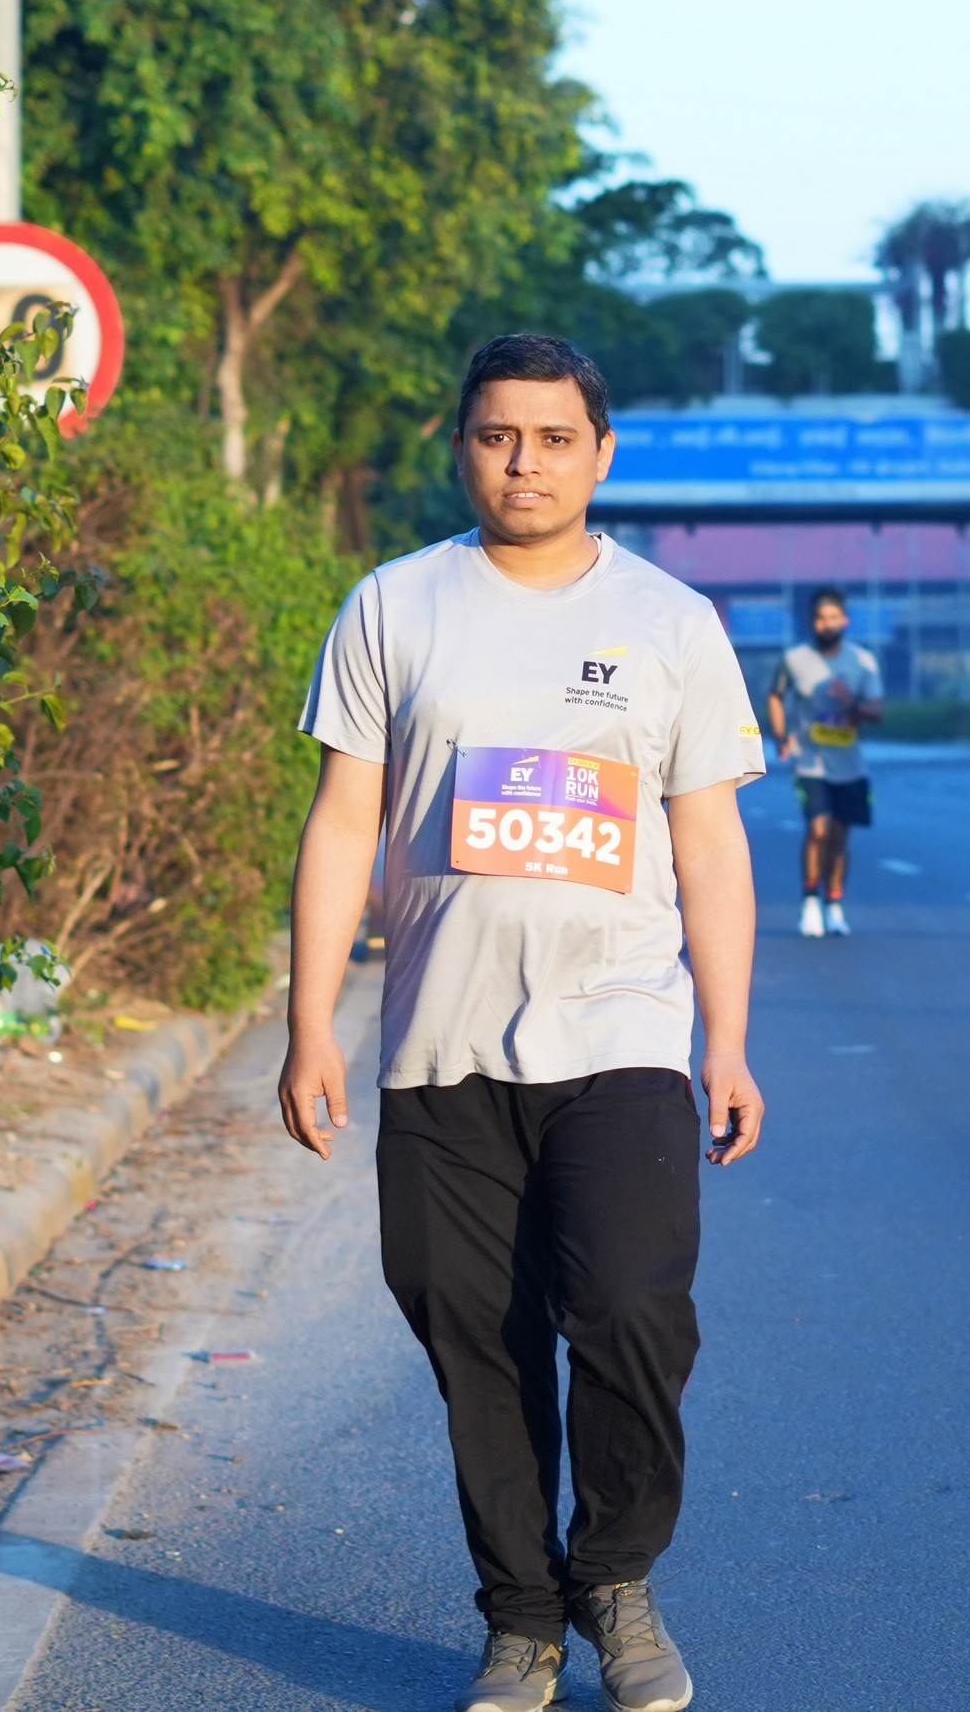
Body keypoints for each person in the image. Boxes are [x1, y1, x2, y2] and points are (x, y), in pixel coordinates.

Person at [278, 333, 766, 1712]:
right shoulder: (394, 605)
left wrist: (726, 1040)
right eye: (498, 436)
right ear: (463, 447)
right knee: (473, 1334)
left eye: (554, 439)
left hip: (622, 1035)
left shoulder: (671, 621)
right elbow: (343, 822)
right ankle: (521, 1618)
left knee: (631, 1309)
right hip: (440, 1043)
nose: (524, 463)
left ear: (600, 454)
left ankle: (615, 1578)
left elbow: (711, 843)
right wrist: (311, 1022)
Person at [764, 587, 884, 938]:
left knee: (839, 836)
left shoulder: (863, 661)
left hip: (850, 766)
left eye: (834, 618)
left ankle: (834, 902)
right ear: (811, 621)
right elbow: (775, 695)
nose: (827, 624)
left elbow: (877, 711)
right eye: (820, 618)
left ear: (845, 620)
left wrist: (852, 704)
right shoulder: (794, 659)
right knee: (818, 829)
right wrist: (780, 735)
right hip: (809, 762)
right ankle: (810, 902)